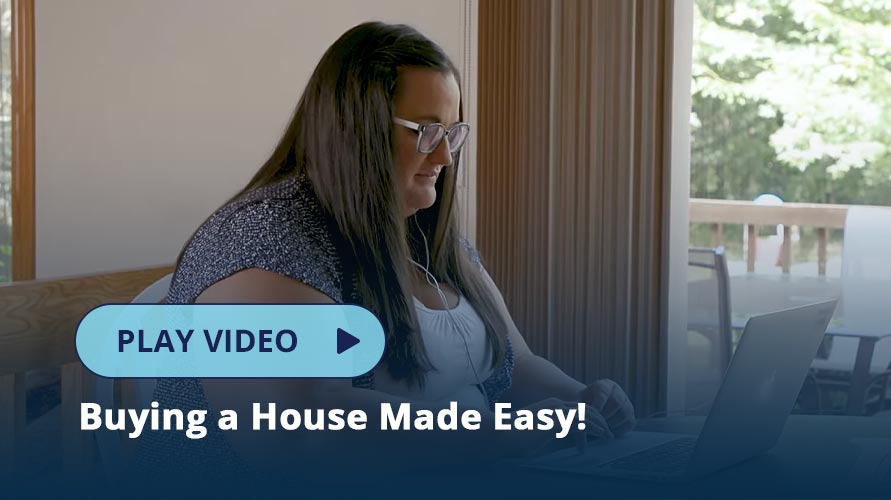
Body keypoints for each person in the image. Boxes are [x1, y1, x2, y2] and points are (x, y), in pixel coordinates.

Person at [141, 21, 634, 481]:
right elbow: (299, 436)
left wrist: (581, 403)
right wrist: (501, 437)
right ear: (355, 130)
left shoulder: (422, 230)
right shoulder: (261, 240)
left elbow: (515, 365)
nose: (444, 156)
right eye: (426, 132)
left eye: (451, 133)